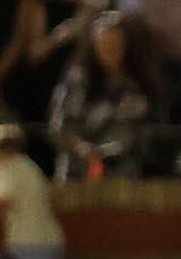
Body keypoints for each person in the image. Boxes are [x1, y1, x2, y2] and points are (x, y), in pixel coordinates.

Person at [48, 11, 156, 180]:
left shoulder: (138, 84)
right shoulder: (77, 81)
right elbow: (59, 126)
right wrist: (82, 148)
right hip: (77, 172)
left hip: (123, 174)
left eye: (114, 43)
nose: (109, 49)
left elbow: (144, 132)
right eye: (104, 44)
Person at [0, 123, 64, 259]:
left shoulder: (9, 169)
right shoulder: (30, 166)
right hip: (51, 243)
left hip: (29, 246)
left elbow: (1, 200)